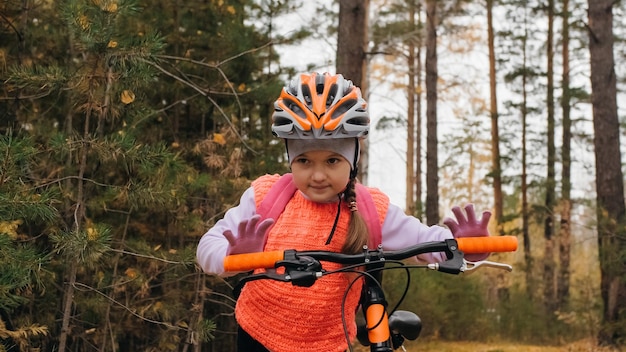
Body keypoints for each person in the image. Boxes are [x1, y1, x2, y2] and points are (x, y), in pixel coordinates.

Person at [196, 72, 492, 352]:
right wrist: (234, 256)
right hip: (258, 335)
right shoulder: (266, 197)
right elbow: (207, 248)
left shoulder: (369, 208)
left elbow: (425, 242)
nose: (318, 175)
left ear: (353, 159)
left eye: (332, 161)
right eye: (304, 161)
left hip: (329, 342)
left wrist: (463, 245)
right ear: (289, 159)